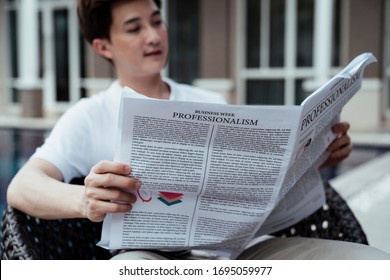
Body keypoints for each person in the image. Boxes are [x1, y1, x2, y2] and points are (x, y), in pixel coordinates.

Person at [6, 0, 389, 260]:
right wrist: (85, 202)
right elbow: (22, 187)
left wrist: (315, 158)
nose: (153, 35)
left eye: (156, 20)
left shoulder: (208, 101)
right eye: (134, 27)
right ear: (103, 46)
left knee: (364, 263)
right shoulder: (90, 115)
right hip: (150, 258)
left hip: (238, 255)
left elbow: (254, 181)